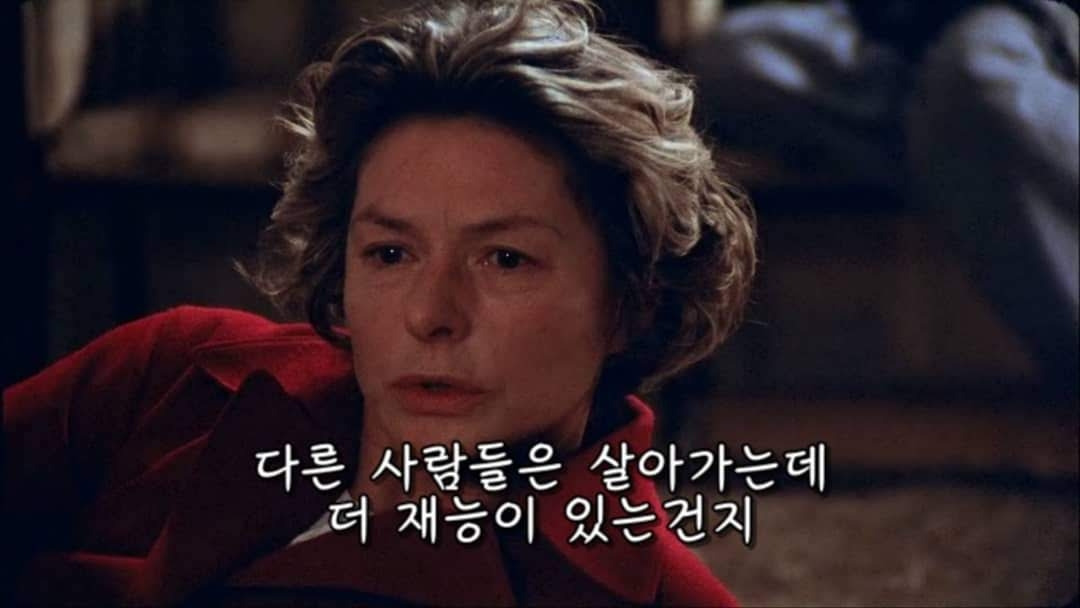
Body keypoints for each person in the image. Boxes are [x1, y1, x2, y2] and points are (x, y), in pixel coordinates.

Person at [4, 0, 756, 605]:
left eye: (505, 259)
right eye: (390, 254)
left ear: (632, 302)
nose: (430, 315)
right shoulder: (174, 370)